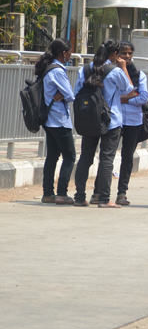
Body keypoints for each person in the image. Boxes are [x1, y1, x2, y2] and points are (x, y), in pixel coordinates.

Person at [74, 40, 134, 207]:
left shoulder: (84, 69)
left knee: (85, 157)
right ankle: (103, 199)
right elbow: (129, 89)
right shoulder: (115, 71)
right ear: (114, 54)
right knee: (107, 158)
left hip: (89, 119)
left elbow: (76, 92)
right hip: (111, 119)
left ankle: (79, 197)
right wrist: (123, 67)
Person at [38, 39, 76, 205]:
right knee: (70, 156)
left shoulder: (48, 68)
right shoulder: (58, 71)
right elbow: (70, 95)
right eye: (69, 52)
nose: (71, 55)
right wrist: (64, 94)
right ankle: (61, 192)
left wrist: (62, 94)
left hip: (49, 120)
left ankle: (48, 193)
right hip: (59, 120)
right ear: (63, 53)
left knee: (52, 156)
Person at [116, 42, 148, 206]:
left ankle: (122, 192)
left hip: (134, 121)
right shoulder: (111, 73)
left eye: (130, 53)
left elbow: (142, 97)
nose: (127, 57)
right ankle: (100, 192)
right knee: (106, 155)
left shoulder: (139, 75)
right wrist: (129, 97)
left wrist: (122, 99)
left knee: (127, 157)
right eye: (123, 53)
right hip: (114, 119)